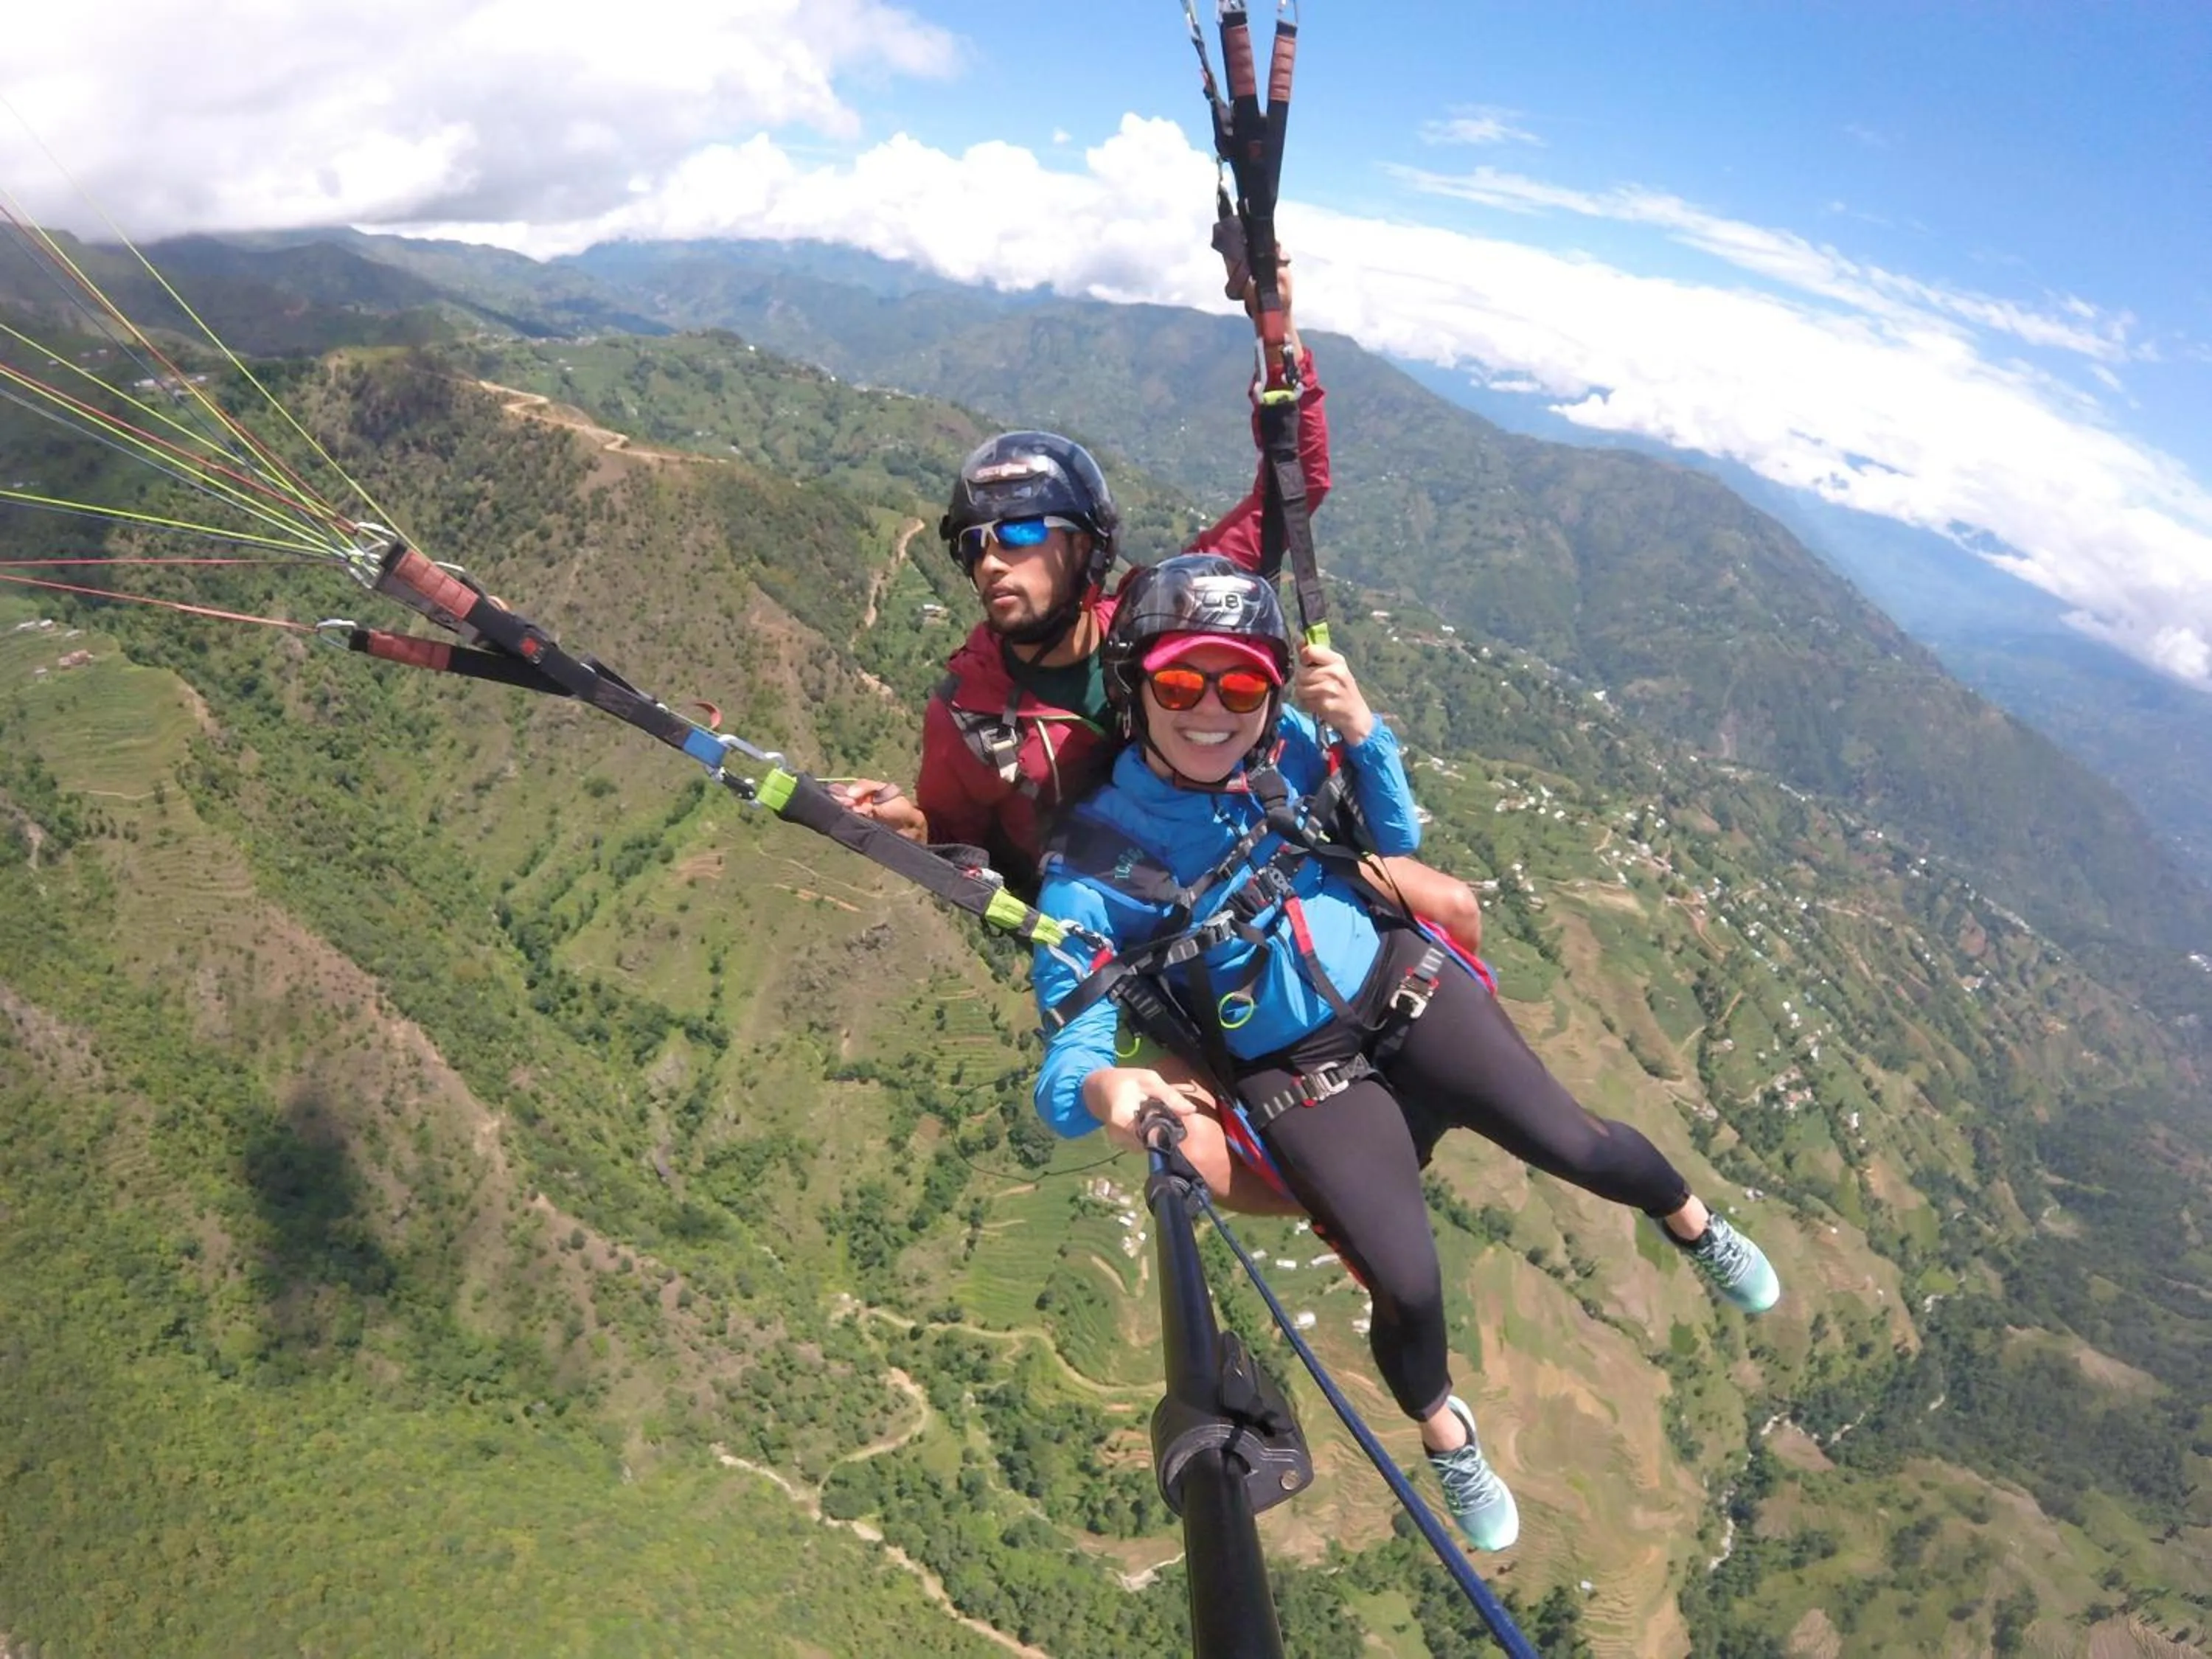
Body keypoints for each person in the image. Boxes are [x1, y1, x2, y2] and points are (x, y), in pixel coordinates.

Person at [1028, 554, 1783, 1551]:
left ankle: (1694, 1224)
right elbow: (1066, 1061)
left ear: (1270, 690)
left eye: (1241, 684)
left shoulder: (1287, 748)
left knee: (1581, 1144)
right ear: (1136, 687)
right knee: (1407, 1284)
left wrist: (1360, 730)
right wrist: (1106, 1087)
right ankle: (1448, 1434)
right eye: (1179, 685)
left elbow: (1394, 836)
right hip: (1297, 1071)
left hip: (1402, 981)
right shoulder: (1089, 869)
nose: (1211, 709)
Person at [833, 278, 1484, 1208]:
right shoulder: (971, 714)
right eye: (973, 542)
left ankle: (1445, 1089)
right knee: (1225, 1153)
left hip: (1249, 859)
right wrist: (907, 824)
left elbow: (1288, 496)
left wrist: (1279, 333)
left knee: (1451, 909)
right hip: (1135, 927)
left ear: (1085, 547)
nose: (991, 558)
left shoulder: (1162, 609)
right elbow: (963, 842)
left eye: (1021, 531)